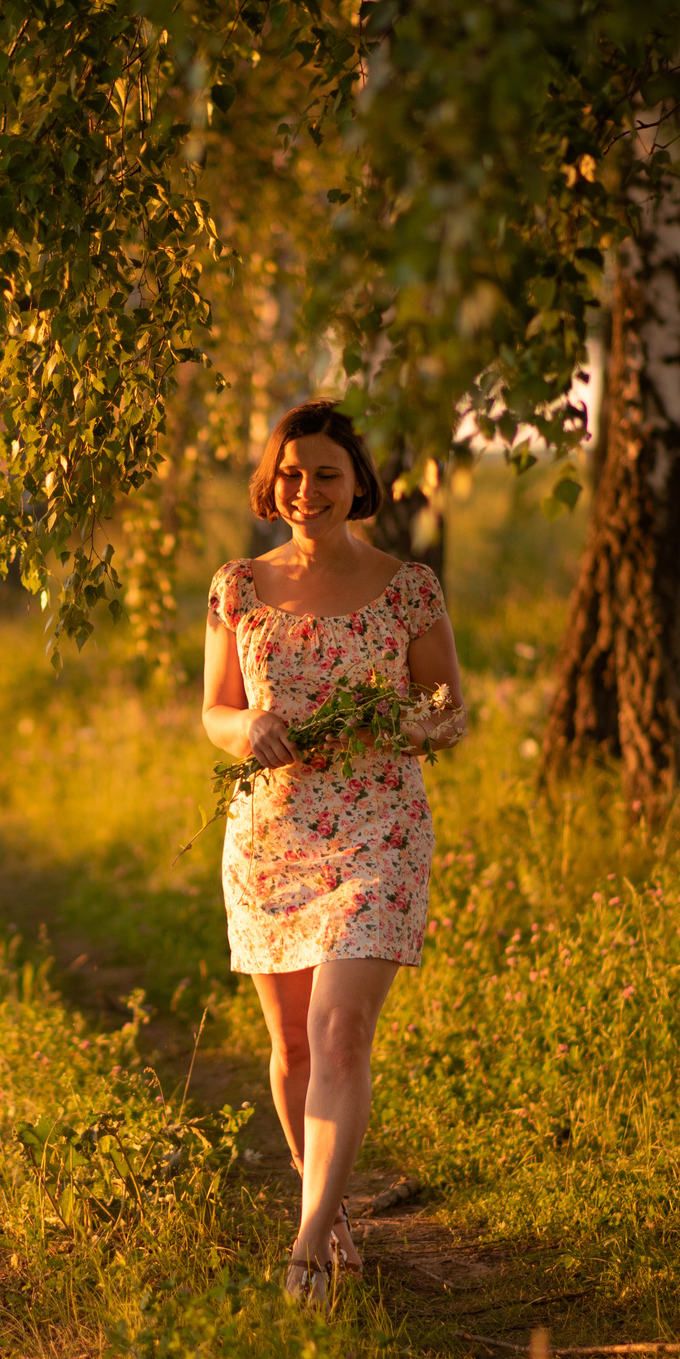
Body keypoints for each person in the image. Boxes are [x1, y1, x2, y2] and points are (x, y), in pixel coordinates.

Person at [202, 400, 466, 1305]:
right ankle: (333, 1211)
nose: (306, 488)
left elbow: (451, 712)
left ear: (359, 484)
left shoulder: (410, 587)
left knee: (340, 1029)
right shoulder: (237, 585)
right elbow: (214, 710)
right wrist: (250, 728)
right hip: (271, 834)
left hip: (378, 829)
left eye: (324, 473)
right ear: (271, 484)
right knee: (292, 1049)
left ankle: (307, 1244)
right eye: (291, 472)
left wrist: (402, 717)